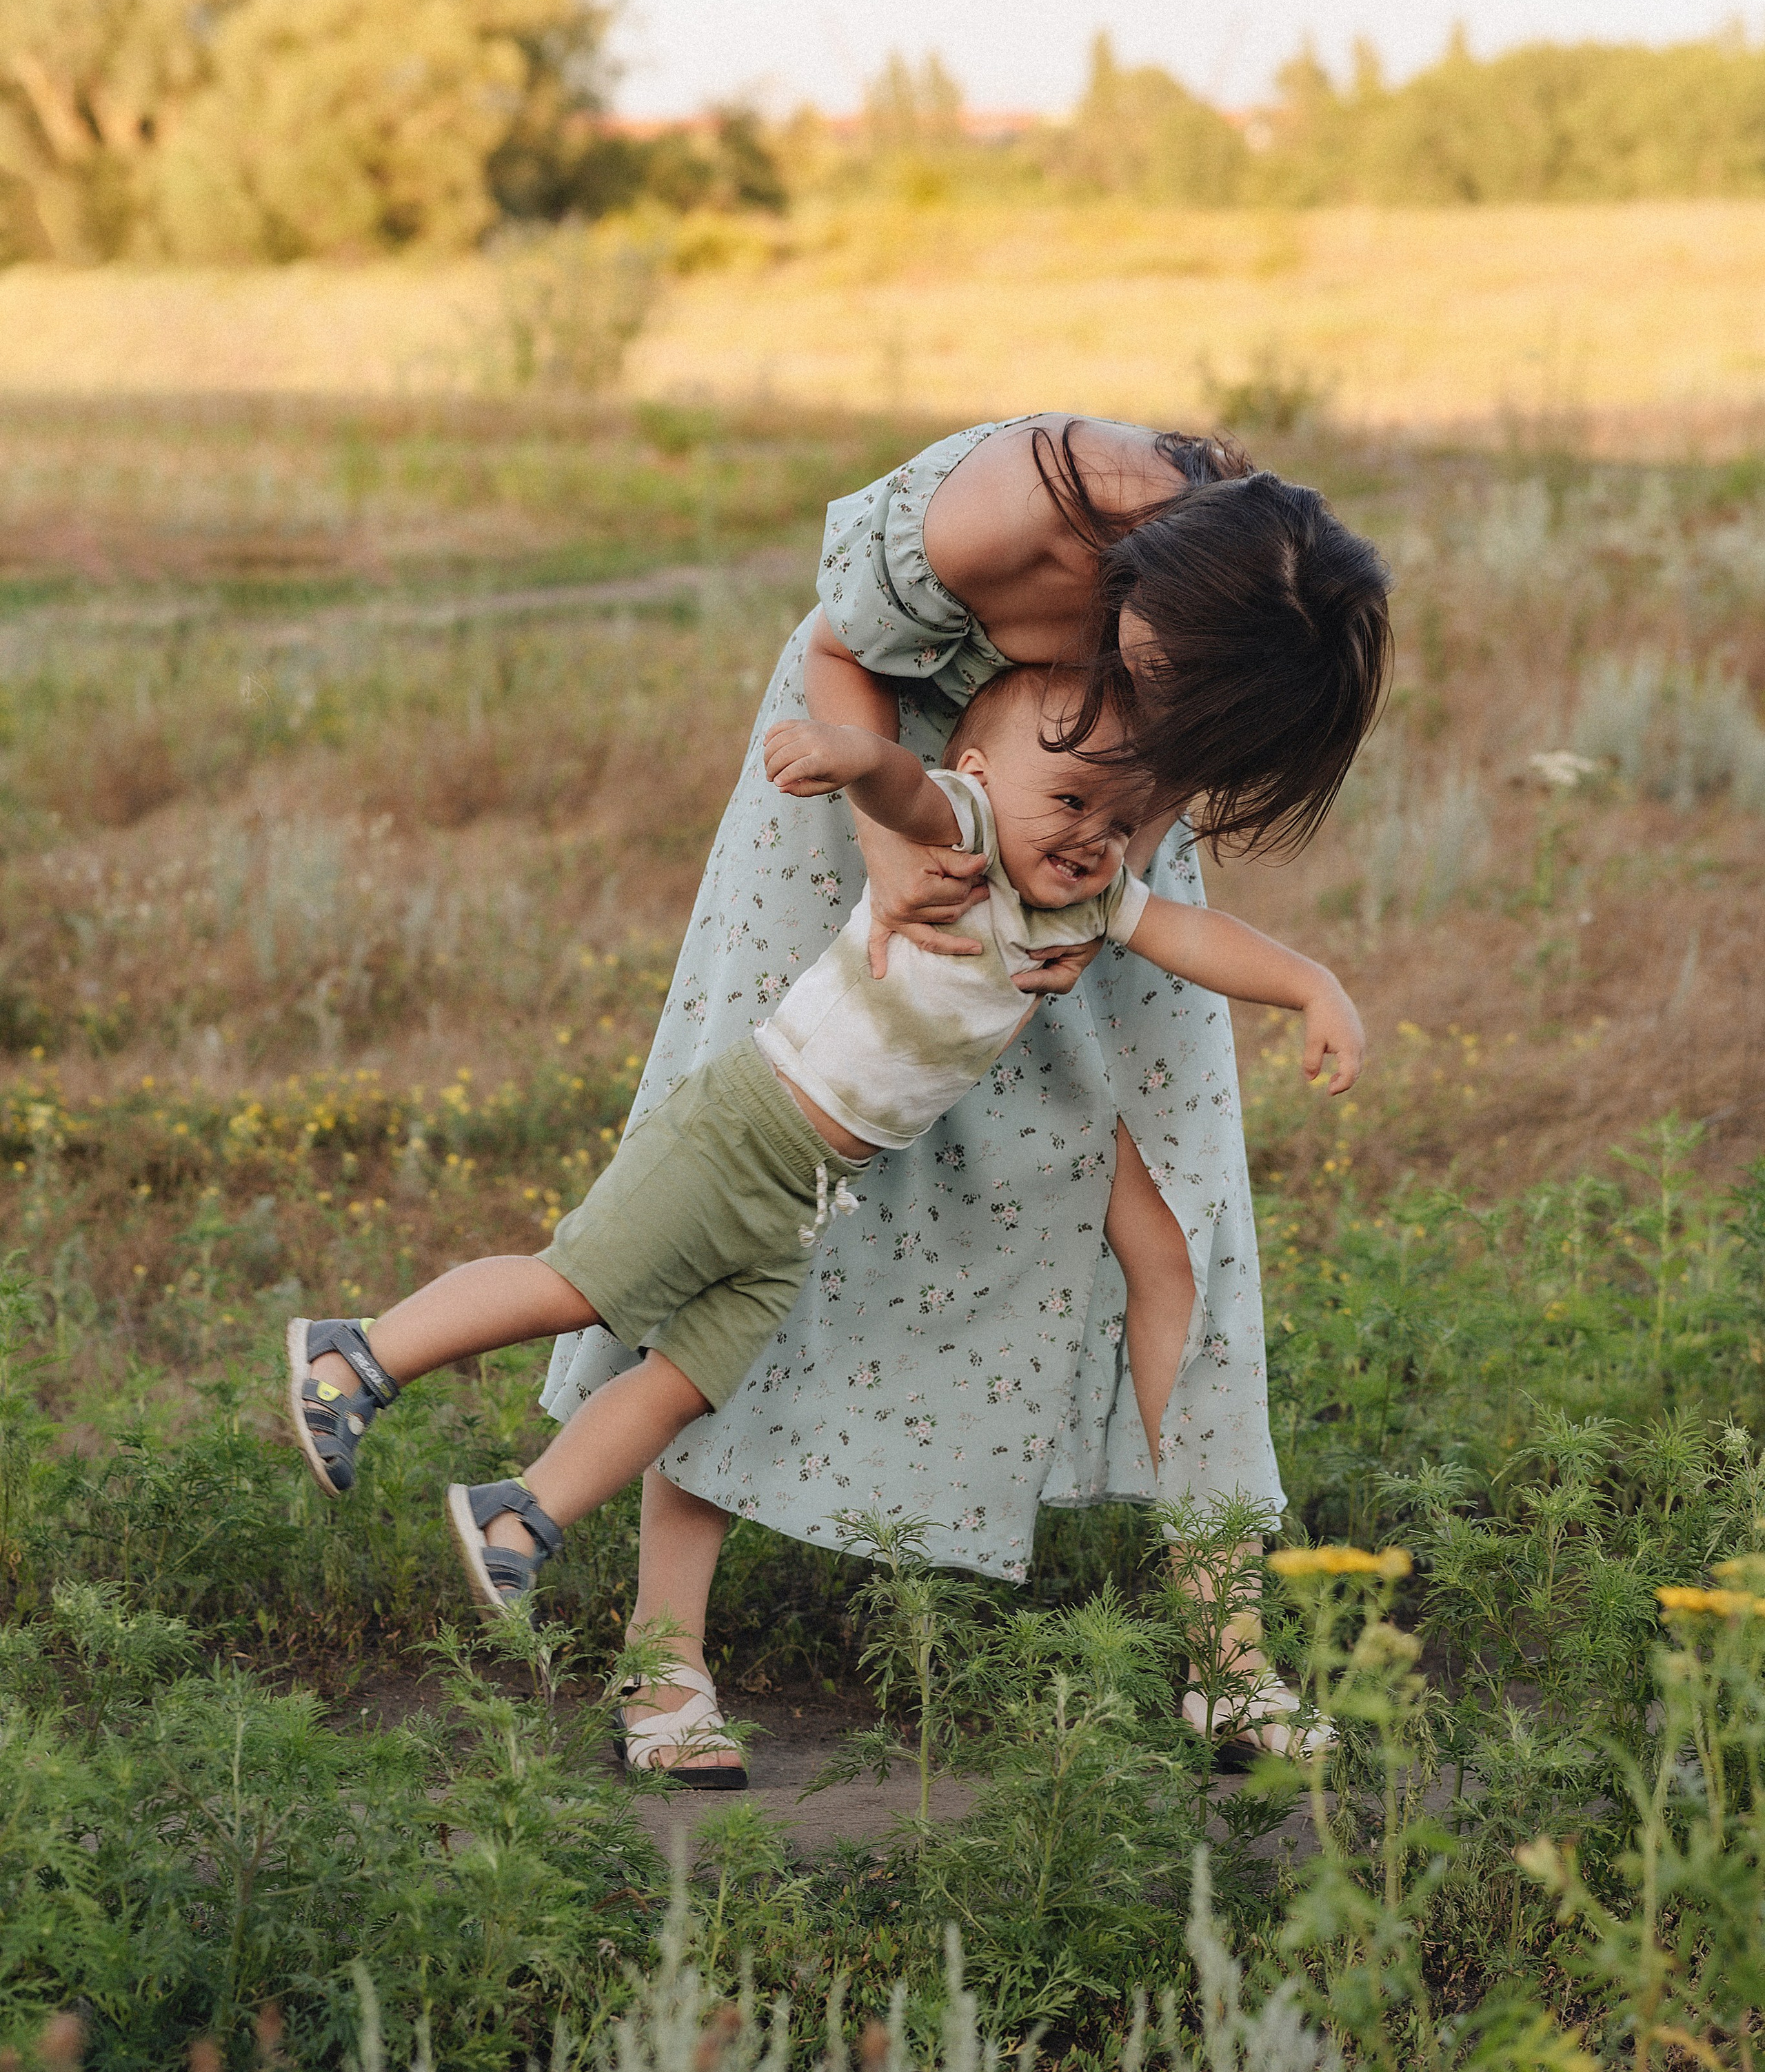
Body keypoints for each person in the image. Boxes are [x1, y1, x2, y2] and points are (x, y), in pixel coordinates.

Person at [286, 667, 1362, 1785]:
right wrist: (853, 759)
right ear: (983, 778)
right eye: (1073, 801)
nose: (1096, 835)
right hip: (742, 1134)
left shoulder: (1087, 899)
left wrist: (1312, 984)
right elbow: (905, 784)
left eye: (1120, 816)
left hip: (810, 1190)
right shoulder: (969, 830)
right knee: (585, 1284)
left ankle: (521, 1515)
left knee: (691, 1381)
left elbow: (1199, 936)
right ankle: (360, 1351)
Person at [542, 416, 1392, 1780]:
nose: (1176, 733)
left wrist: (1116, 851)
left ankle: (1230, 1664)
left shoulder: (1250, 598)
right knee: (765, 1198)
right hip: (874, 788)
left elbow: (1162, 765)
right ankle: (662, 1657)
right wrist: (897, 848)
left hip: (1086, 835)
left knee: (1176, 1216)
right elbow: (836, 653)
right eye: (1173, 700)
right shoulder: (1012, 511)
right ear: (1143, 605)